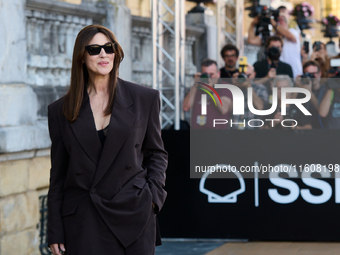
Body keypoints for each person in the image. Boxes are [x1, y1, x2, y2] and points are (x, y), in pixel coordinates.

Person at [47, 25, 168, 255]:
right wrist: (54, 229)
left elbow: (156, 153)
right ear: (81, 57)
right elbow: (59, 175)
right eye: (94, 49)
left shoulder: (144, 98)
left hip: (133, 213)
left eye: (108, 47)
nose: (103, 54)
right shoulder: (60, 110)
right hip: (85, 220)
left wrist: (153, 198)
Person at [183, 59, 232, 129]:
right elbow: (185, 107)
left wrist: (210, 90)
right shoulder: (197, 87)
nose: (209, 77)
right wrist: (195, 85)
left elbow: (223, 109)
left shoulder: (225, 87)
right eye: (206, 74)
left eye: (211, 74)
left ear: (218, 74)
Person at [231, 64, 269, 129]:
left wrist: (249, 87)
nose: (246, 78)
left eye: (248, 75)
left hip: (253, 131)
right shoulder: (234, 87)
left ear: (254, 74)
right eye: (243, 75)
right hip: (235, 131)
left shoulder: (260, 88)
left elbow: (261, 107)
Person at [295, 60, 325, 128]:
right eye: (308, 74)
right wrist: (296, 87)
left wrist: (309, 92)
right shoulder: (301, 91)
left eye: (313, 73)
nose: (312, 77)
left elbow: (322, 111)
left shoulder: (324, 90)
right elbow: (291, 107)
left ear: (320, 73)